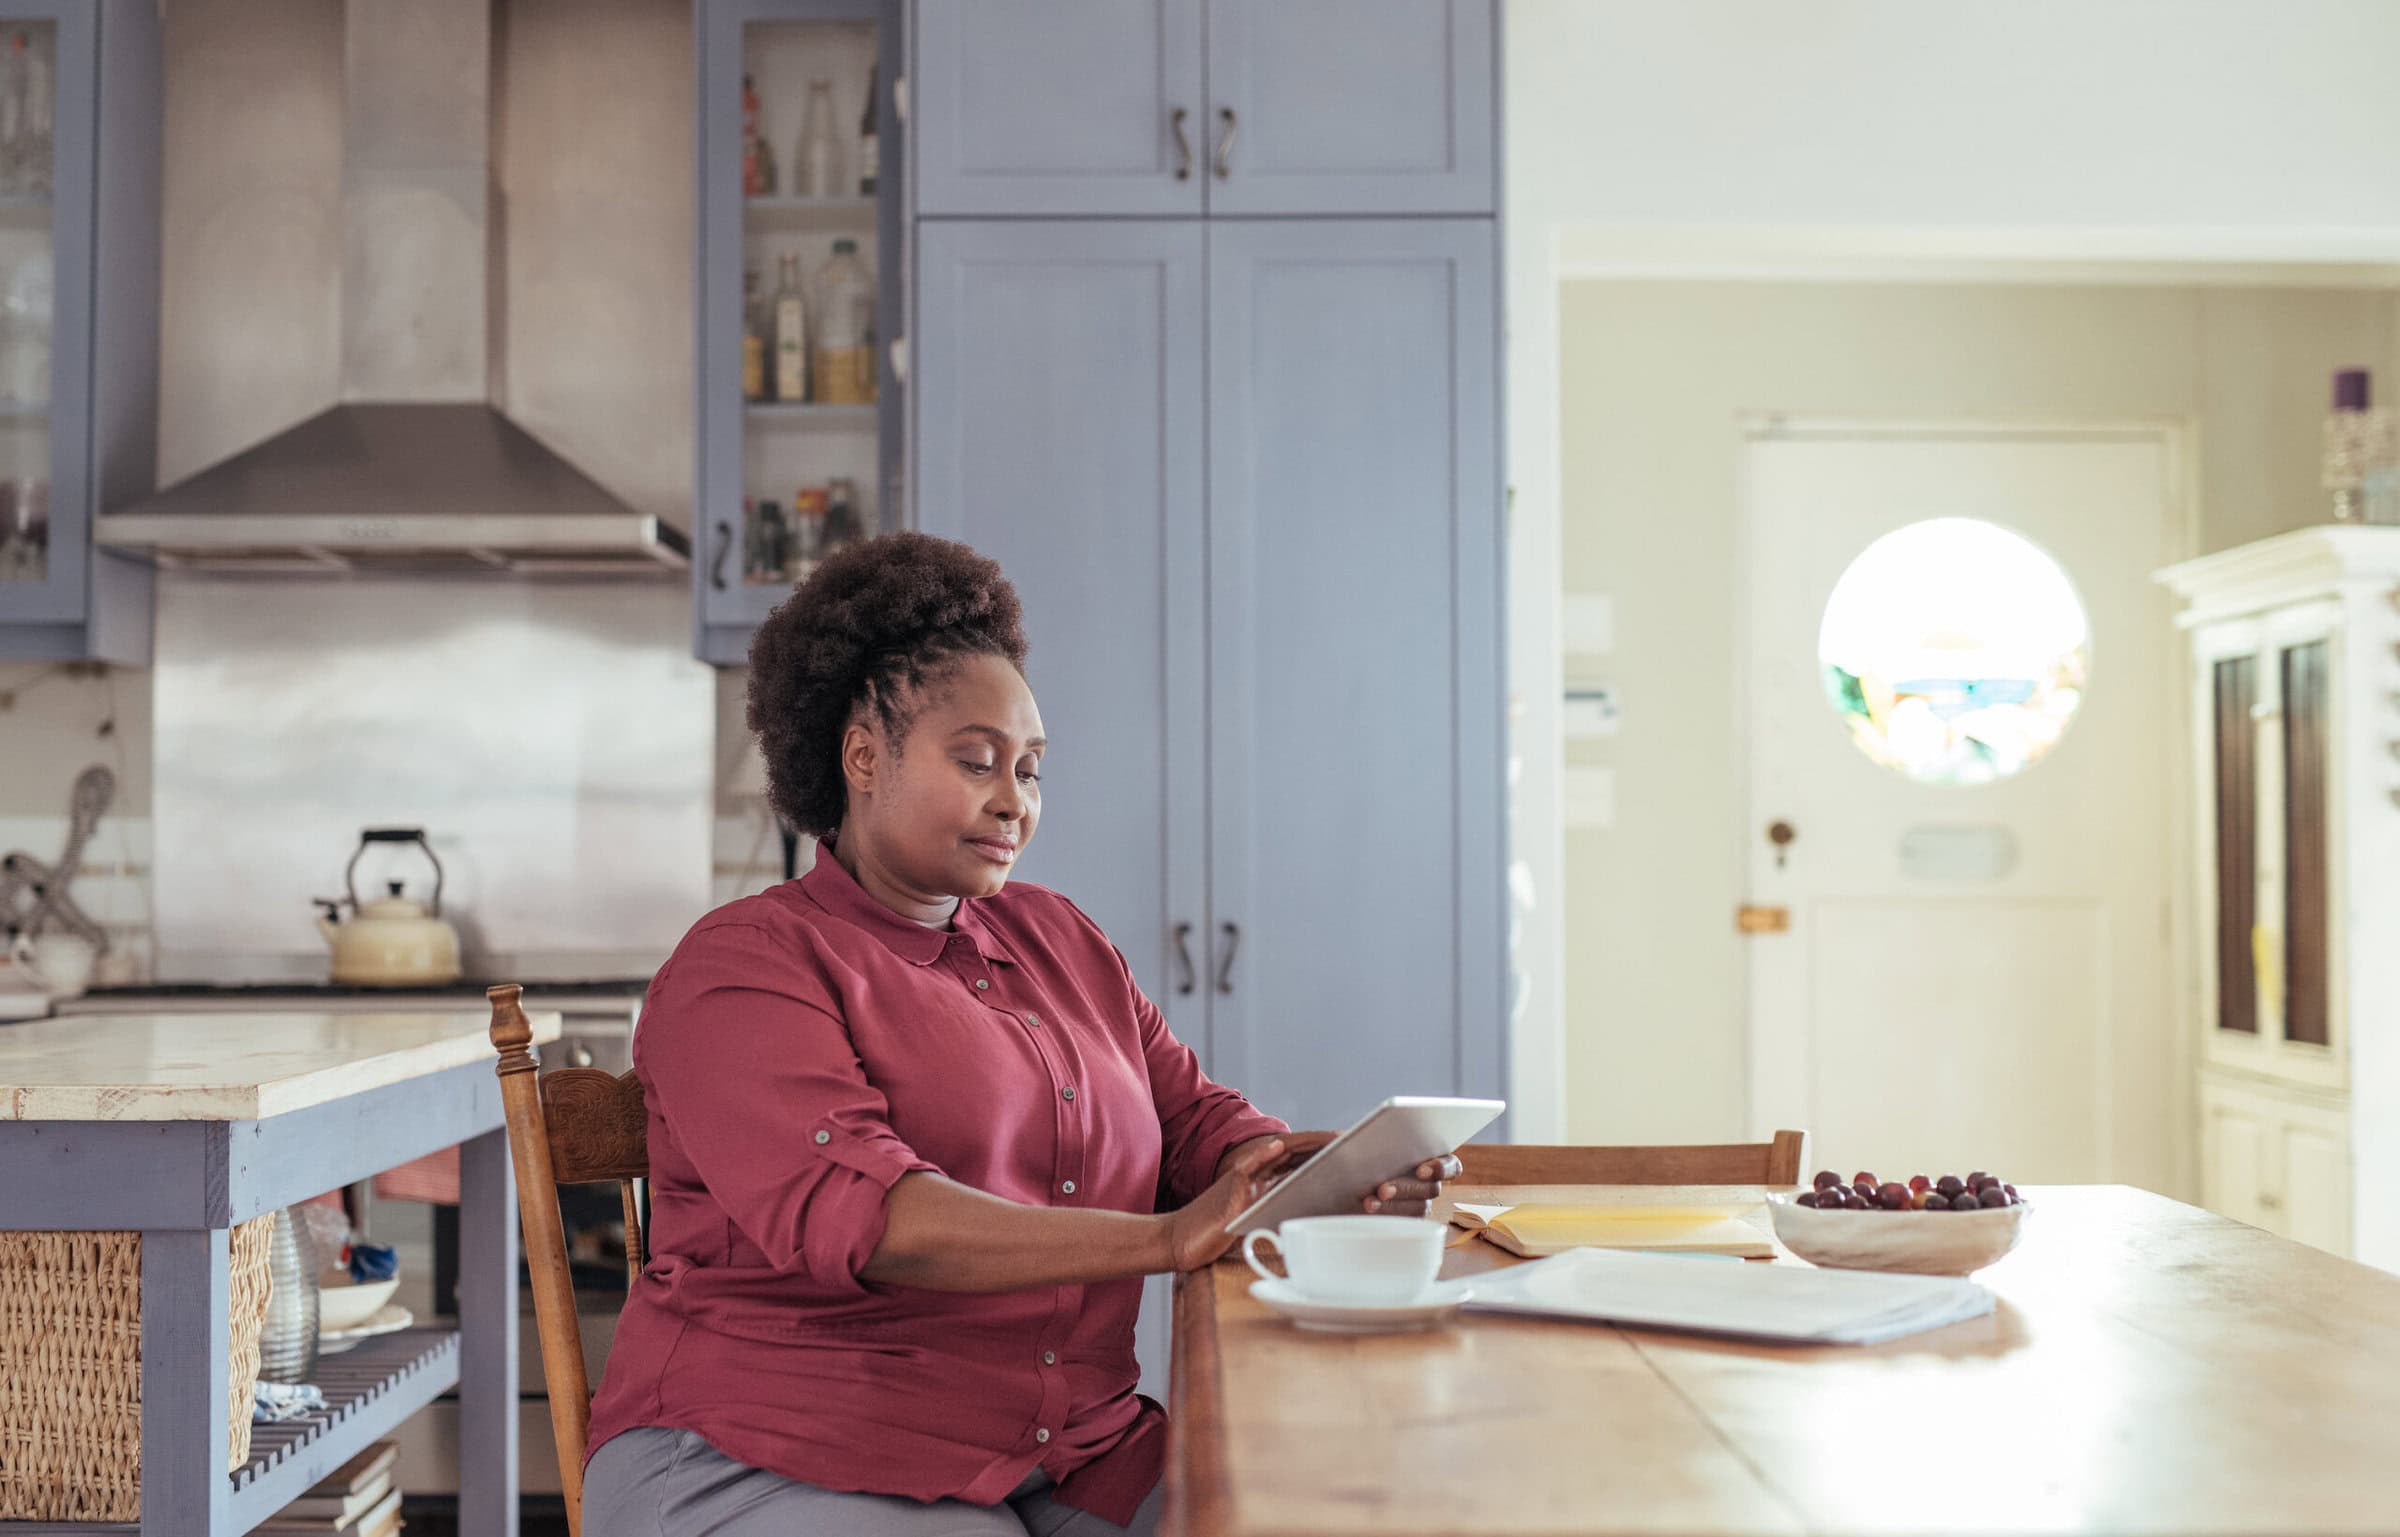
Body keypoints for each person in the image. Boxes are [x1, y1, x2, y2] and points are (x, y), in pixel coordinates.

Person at [583, 534, 1460, 1535]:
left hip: (1067, 1458)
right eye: (977, 762)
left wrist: (1311, 1172)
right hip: (775, 1459)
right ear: (863, 754)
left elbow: (1191, 1120)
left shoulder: (1060, 938)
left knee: (1334, 1506)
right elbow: (871, 1219)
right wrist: (1170, 1237)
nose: (1015, 800)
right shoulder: (745, 966)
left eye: (1032, 770)